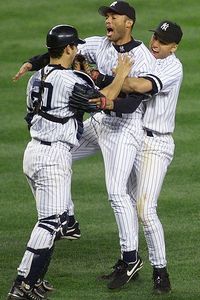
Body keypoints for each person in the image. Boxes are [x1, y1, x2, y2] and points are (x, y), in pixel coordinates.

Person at [8, 23, 133, 300]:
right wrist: (122, 73)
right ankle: (23, 284)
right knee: (50, 222)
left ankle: (36, 281)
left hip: (32, 152)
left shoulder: (37, 76)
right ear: (68, 49)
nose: (78, 50)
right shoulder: (73, 81)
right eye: (76, 46)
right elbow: (103, 100)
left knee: (53, 222)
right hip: (53, 158)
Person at [90, 20, 183, 294]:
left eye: (163, 42)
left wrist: (105, 78)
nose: (155, 43)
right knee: (125, 202)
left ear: (174, 47)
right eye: (155, 37)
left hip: (155, 144)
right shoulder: (149, 55)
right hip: (133, 135)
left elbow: (139, 87)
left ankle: (161, 272)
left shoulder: (171, 67)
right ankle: (127, 260)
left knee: (145, 209)